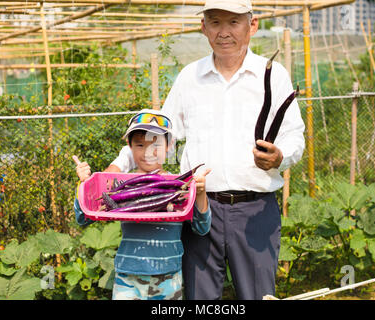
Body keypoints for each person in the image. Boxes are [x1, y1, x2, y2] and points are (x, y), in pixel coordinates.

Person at [107, 0, 305, 300]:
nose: (224, 32)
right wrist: (118, 166)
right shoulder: (190, 77)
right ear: (203, 27)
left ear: (252, 25)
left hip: (256, 210)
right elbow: (161, 134)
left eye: (233, 22)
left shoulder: (273, 75)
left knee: (258, 296)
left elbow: (294, 137)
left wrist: (280, 157)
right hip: (199, 208)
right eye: (215, 22)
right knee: (200, 299)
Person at [73, 109, 212, 300]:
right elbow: (83, 218)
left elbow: (202, 227)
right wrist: (84, 184)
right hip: (127, 278)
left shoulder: (180, 187)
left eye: (156, 144)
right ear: (129, 147)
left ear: (169, 146)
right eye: (139, 144)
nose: (148, 152)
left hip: (168, 278)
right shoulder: (120, 186)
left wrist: (201, 193)